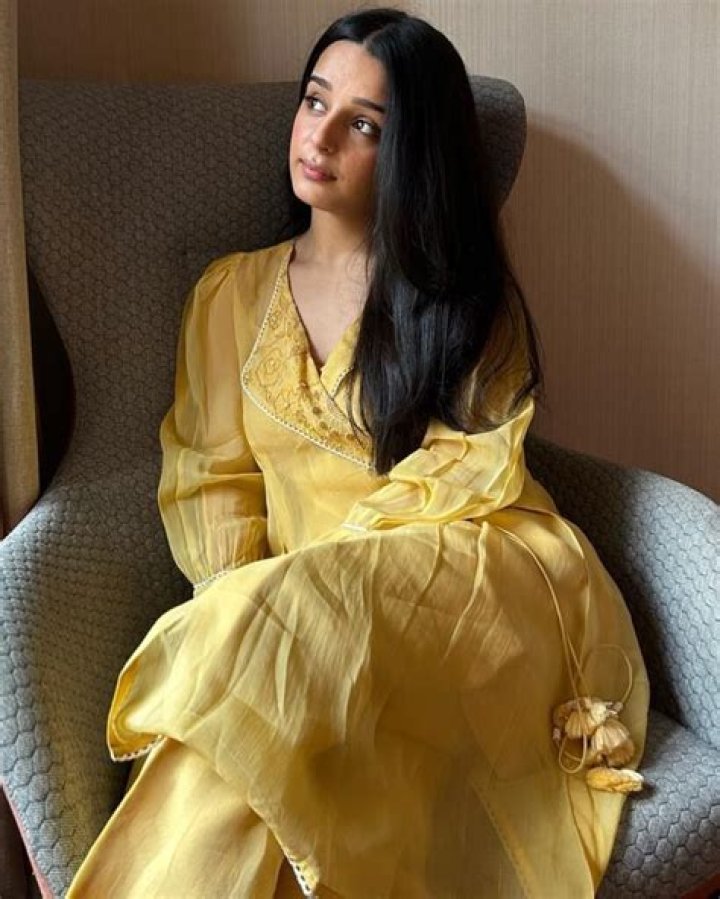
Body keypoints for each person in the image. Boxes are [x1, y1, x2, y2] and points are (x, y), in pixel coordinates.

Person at [67, 8, 648, 898]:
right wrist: (262, 608)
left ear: (411, 154)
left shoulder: (461, 299)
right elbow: (211, 479)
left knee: (275, 648)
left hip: (476, 584)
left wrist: (317, 592)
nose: (321, 136)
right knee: (249, 707)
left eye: (364, 125)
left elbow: (473, 471)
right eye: (314, 101)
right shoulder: (228, 295)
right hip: (303, 617)